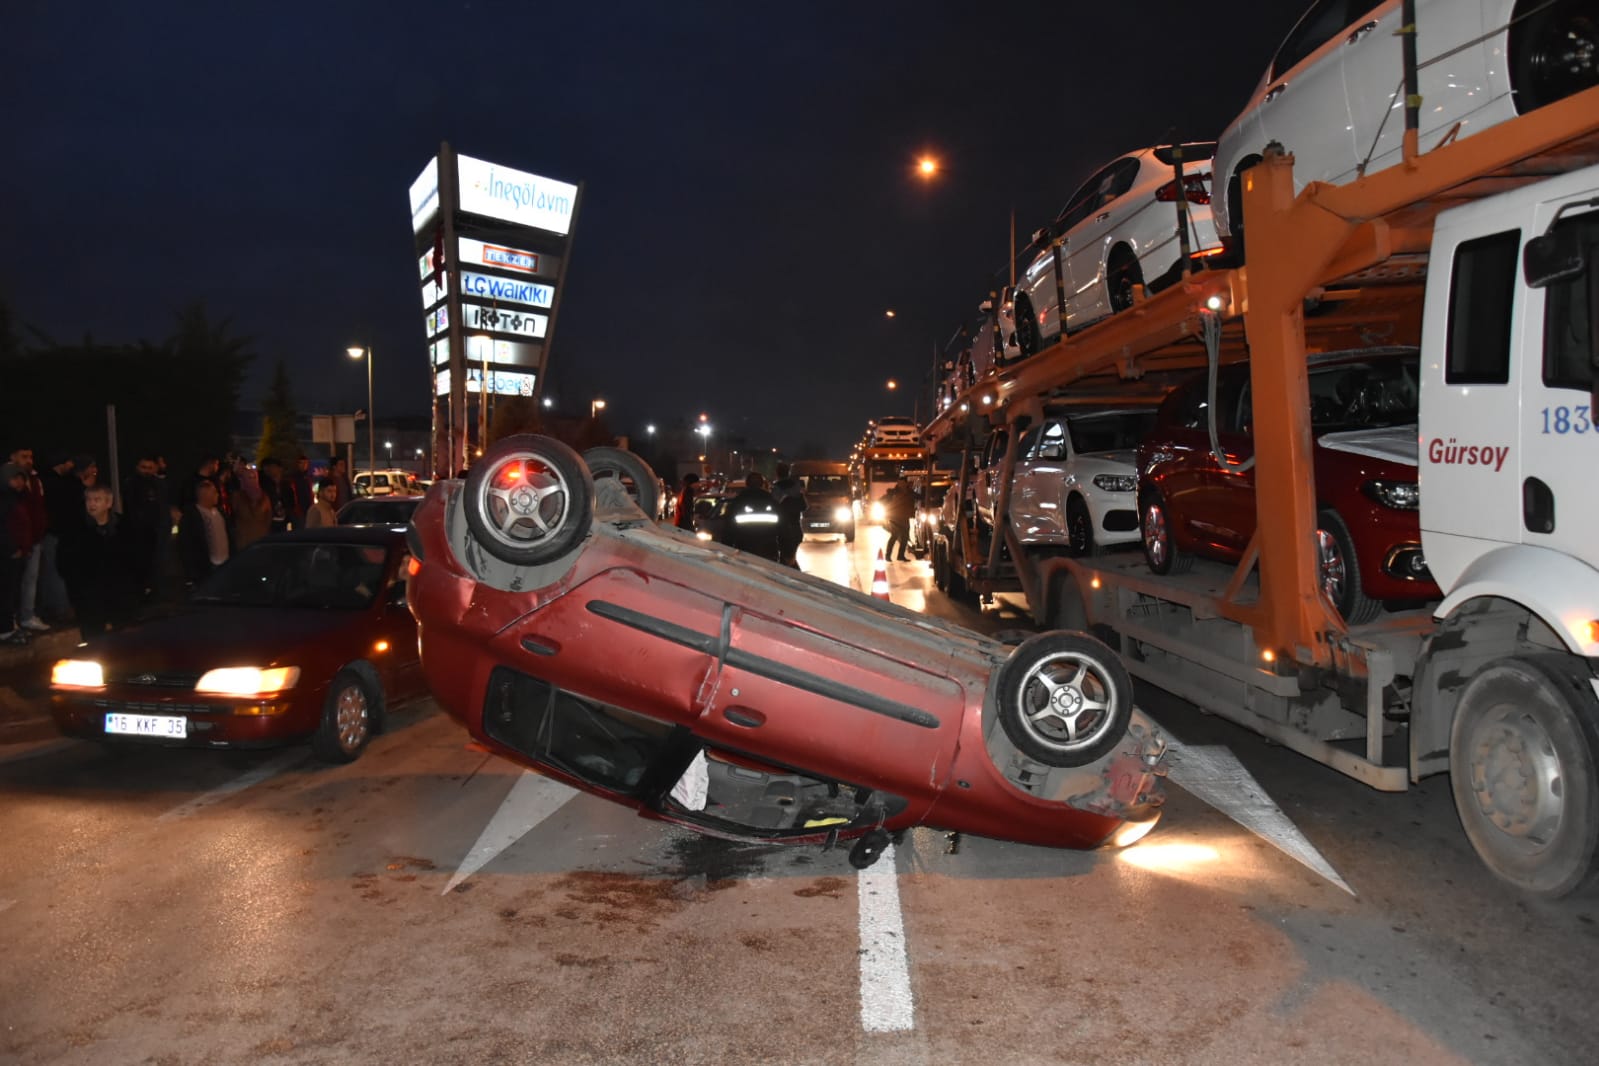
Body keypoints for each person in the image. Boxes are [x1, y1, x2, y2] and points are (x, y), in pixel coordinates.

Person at [58, 483, 139, 641]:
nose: (92, 504)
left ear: (109, 503)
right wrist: (78, 592)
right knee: (93, 643)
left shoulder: (125, 527)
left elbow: (136, 559)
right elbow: (65, 563)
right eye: (89, 500)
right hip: (89, 599)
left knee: (124, 642)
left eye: (97, 499)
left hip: (121, 596)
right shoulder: (75, 530)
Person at [9, 446, 52, 630]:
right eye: (23, 456)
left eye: (30, 456)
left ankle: (27, 615)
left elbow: (38, 507)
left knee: (30, 579)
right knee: (12, 582)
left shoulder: (34, 479)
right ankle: (10, 620)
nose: (28, 460)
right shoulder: (8, 480)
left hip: (34, 537)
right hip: (14, 542)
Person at [0, 462, 36, 644]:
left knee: (13, 591)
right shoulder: (5, 499)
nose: (20, 482)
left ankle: (10, 626)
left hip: (19, 552)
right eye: (15, 478)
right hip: (8, 555)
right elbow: (4, 529)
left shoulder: (17, 498)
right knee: (6, 592)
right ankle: (5, 629)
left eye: (22, 478)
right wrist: (12, 548)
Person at [177, 478, 231, 588]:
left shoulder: (220, 512)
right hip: (206, 567)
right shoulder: (191, 516)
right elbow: (186, 544)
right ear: (205, 494)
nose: (218, 495)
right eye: (214, 492)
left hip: (225, 563)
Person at [719, 472, 782, 562]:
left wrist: (727, 550)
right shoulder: (772, 501)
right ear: (762, 484)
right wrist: (786, 552)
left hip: (744, 550)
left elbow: (728, 529)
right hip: (768, 550)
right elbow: (783, 527)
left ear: (747, 484)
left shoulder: (737, 502)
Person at [769, 462, 807, 569]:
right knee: (789, 559)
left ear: (777, 473)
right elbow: (804, 506)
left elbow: (772, 508)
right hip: (795, 529)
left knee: (786, 560)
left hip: (779, 529)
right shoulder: (796, 488)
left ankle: (791, 581)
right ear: (788, 472)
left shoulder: (774, 490)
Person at [230, 459, 273, 547]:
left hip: (261, 538)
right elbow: (233, 515)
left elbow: (268, 517)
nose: (252, 480)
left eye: (254, 477)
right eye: (249, 477)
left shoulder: (264, 497)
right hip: (244, 539)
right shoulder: (237, 497)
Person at [882, 477, 915, 562]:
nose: (902, 485)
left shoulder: (909, 492)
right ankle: (888, 555)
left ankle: (900, 556)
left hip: (904, 518)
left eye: (903, 483)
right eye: (900, 482)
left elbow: (917, 497)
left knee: (905, 537)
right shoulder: (893, 492)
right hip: (895, 518)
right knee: (894, 536)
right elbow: (884, 500)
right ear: (898, 483)